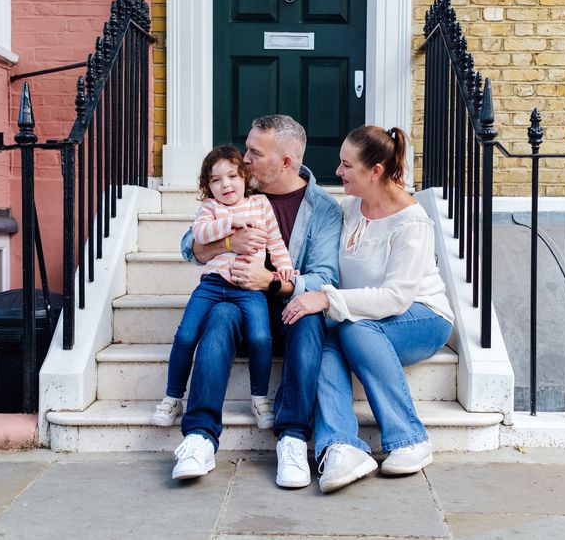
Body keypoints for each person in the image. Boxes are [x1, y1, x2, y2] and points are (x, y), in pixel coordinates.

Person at [171, 115, 342, 487]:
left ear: (285, 162)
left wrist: (270, 282)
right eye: (246, 148)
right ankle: (199, 436)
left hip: (283, 305)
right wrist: (226, 245)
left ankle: (294, 438)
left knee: (309, 316)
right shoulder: (236, 192)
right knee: (218, 316)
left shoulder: (324, 209)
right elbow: (190, 245)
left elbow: (325, 279)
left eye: (254, 153)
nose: (243, 160)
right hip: (237, 300)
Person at [282, 125, 455, 493]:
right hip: (363, 319)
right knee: (329, 341)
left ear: (375, 171)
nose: (339, 172)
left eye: (347, 166)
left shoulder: (413, 222)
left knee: (352, 328)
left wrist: (327, 298)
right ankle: (342, 446)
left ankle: (409, 438)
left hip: (422, 318)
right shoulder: (348, 210)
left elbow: (396, 297)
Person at [152, 146, 295, 431]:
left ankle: (259, 399)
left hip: (248, 287)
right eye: (216, 180)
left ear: (245, 177)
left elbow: (275, 241)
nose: (225, 184)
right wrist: (231, 223)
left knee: (259, 337)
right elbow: (200, 235)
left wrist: (284, 266)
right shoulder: (210, 208)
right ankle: (172, 397)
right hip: (213, 285)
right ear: (208, 186)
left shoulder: (261, 205)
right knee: (185, 335)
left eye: (232, 176)